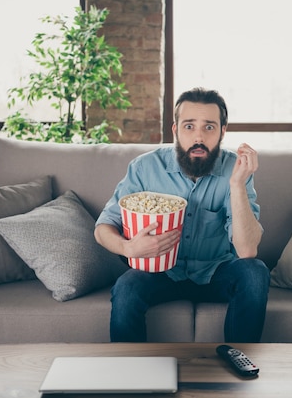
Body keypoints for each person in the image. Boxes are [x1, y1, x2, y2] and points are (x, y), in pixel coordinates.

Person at [94, 87, 269, 343]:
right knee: (127, 286)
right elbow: (103, 227)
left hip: (216, 273)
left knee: (255, 272)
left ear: (223, 131)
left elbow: (247, 251)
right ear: (175, 130)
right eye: (189, 126)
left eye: (209, 127)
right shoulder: (145, 168)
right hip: (162, 274)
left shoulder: (237, 169)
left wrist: (236, 185)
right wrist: (128, 248)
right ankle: (128, 375)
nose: (198, 137)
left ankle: (238, 366)